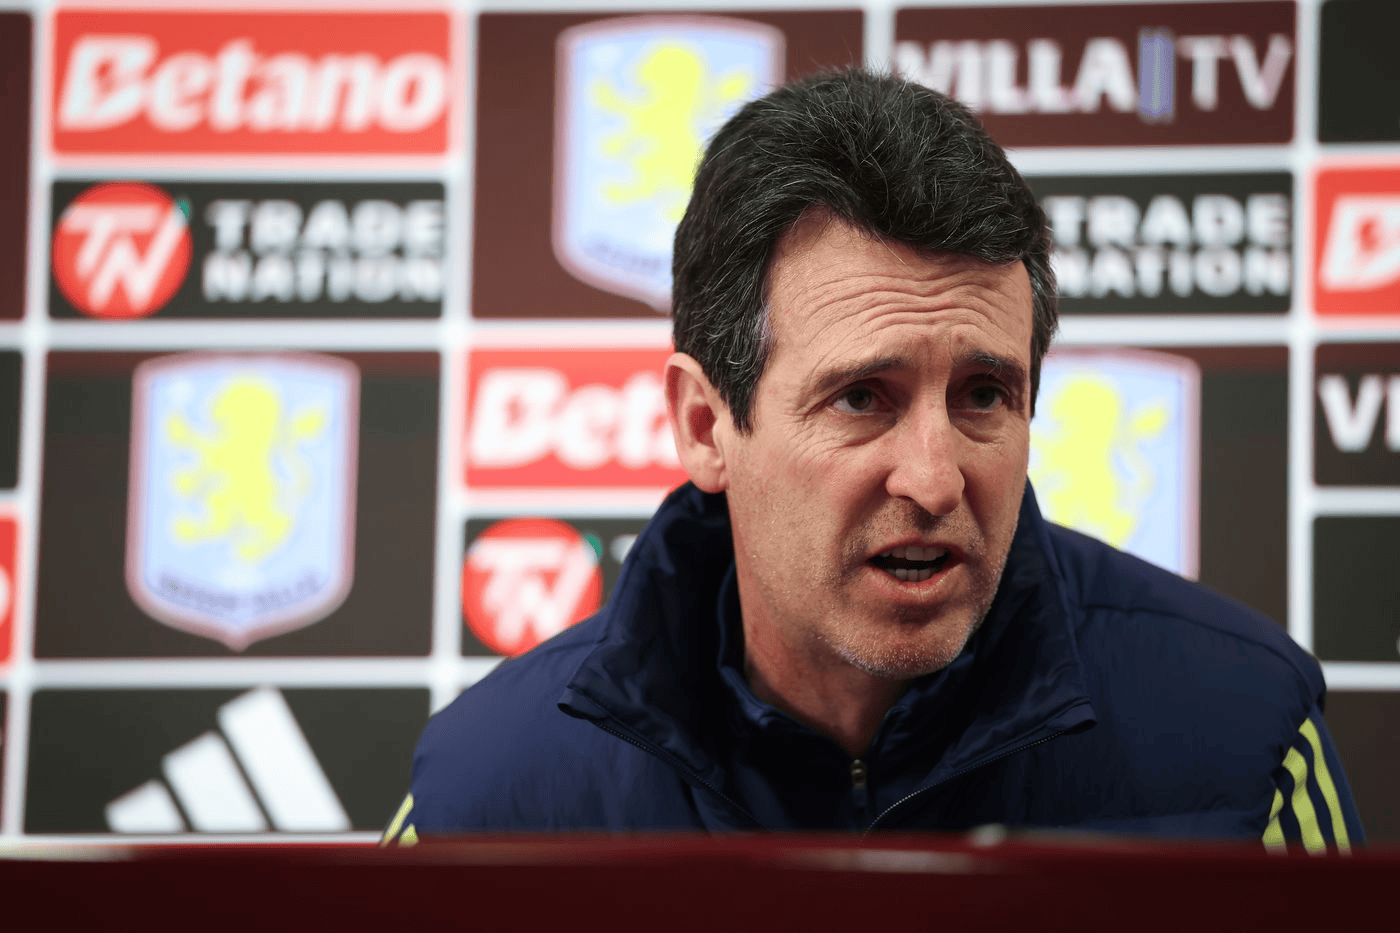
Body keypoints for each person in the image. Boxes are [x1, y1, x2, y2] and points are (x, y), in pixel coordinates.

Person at [383, 68, 1362, 848]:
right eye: (862, 398)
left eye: (983, 394)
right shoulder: (483, 800)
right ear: (704, 425)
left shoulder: (1242, 741)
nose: (934, 479)